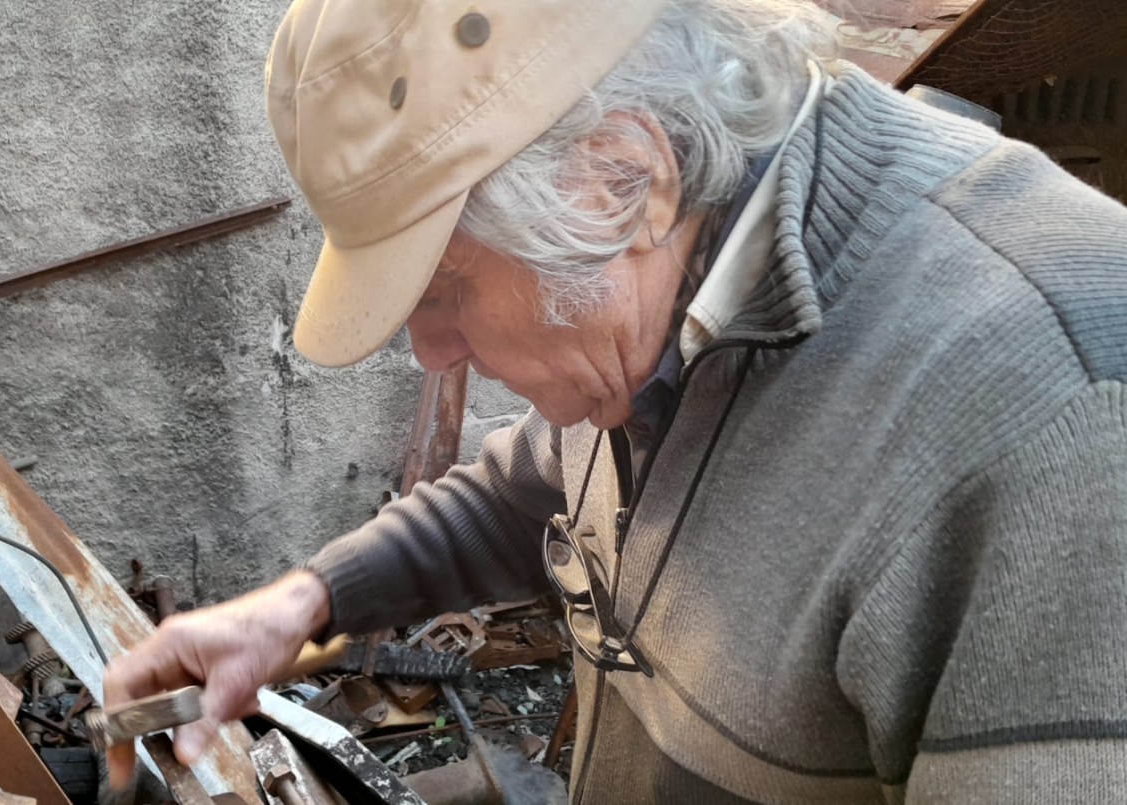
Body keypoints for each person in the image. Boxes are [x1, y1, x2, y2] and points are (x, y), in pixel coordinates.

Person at [105, 0, 1127, 800]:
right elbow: (541, 483)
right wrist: (299, 605)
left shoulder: (1057, 416)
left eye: (448, 287)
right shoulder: (661, 301)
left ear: (624, 179)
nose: (429, 348)